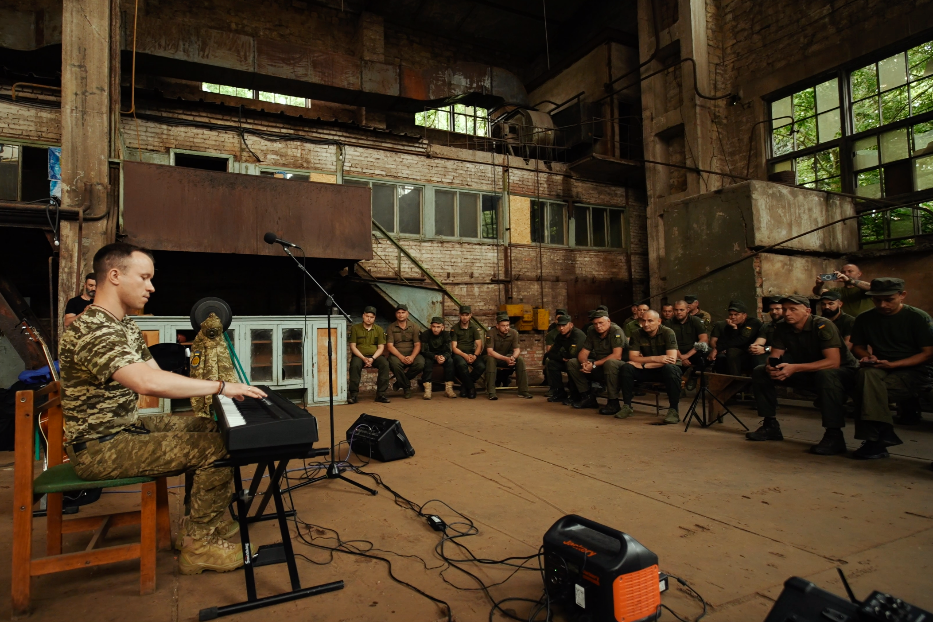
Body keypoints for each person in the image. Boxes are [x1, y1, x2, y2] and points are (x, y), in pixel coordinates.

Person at [60, 242, 267, 575]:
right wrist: (222, 387)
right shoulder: (93, 328)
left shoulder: (124, 326)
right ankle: (200, 545)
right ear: (114, 276)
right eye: (144, 277)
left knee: (214, 427)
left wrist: (212, 382)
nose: (151, 287)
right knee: (220, 448)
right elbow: (145, 383)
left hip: (127, 430)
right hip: (99, 447)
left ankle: (198, 526)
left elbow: (158, 375)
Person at [746, 295, 859, 455]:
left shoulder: (822, 325)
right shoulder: (782, 326)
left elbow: (833, 362)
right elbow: (775, 356)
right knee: (760, 371)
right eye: (785, 309)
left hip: (843, 373)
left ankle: (834, 435)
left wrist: (794, 368)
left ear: (807, 311)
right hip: (808, 369)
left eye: (793, 309)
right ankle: (770, 425)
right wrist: (771, 367)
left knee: (826, 375)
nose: (787, 313)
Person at [850, 278, 933, 458]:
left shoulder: (917, 317)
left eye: (889, 299)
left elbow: (927, 353)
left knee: (866, 391)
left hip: (913, 370)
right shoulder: (865, 318)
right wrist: (867, 356)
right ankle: (883, 435)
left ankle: (875, 440)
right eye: (877, 300)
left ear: (902, 295)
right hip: (880, 366)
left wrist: (894, 364)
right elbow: (857, 346)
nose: (883, 304)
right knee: (866, 374)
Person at [619, 310, 682, 423]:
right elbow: (633, 358)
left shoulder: (668, 332)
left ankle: (674, 410)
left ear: (659, 321)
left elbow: (671, 359)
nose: (646, 324)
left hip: (664, 370)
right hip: (648, 368)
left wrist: (644, 365)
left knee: (671, 369)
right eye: (643, 320)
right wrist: (656, 359)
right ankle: (627, 406)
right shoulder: (636, 333)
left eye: (650, 321)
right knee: (626, 367)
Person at [568, 310, 625, 413]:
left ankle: (613, 402)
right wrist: (585, 363)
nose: (598, 326)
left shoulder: (616, 331)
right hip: (599, 364)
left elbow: (617, 355)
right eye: (595, 323)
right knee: (573, 362)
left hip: (618, 366)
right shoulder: (592, 331)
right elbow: (583, 352)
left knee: (610, 363)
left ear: (608, 321)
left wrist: (593, 365)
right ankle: (587, 397)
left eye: (601, 323)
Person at [348, 306, 391, 404]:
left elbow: (381, 348)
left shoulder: (379, 330)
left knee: (384, 364)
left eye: (371, 317)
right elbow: (353, 346)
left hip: (375, 356)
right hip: (359, 356)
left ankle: (381, 394)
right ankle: (354, 395)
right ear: (363, 316)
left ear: (374, 318)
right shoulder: (355, 328)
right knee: (355, 365)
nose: (369, 319)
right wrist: (363, 358)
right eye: (367, 316)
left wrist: (372, 358)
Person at [485, 312, 532, 400]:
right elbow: (490, 352)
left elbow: (517, 349)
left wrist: (513, 358)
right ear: (497, 326)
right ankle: (491, 392)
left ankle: (523, 391)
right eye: (503, 325)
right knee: (491, 360)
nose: (506, 328)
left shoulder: (514, 333)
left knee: (520, 359)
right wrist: (506, 358)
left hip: (505, 358)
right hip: (492, 357)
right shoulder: (491, 333)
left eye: (507, 325)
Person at [709, 301, 762, 375]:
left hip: (752, 351)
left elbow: (742, 339)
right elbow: (728, 340)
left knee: (732, 351)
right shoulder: (729, 325)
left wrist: (717, 349)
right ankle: (733, 379)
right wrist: (734, 328)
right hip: (739, 351)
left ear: (744, 315)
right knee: (729, 353)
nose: (733, 317)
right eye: (731, 315)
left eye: (736, 314)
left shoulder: (753, 322)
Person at [385, 304, 425, 399]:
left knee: (421, 363)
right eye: (398, 312)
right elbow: (390, 346)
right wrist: (401, 357)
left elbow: (417, 344)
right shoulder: (391, 327)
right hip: (397, 354)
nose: (401, 315)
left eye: (403, 312)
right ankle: (406, 387)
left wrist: (412, 357)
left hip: (412, 353)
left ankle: (400, 382)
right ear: (396, 314)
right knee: (394, 364)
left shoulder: (414, 327)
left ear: (407, 314)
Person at [667, 300, 708, 391]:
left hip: (693, 352)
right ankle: (678, 388)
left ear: (687, 310)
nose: (678, 312)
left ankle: (694, 376)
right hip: (676, 353)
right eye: (676, 310)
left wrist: (687, 356)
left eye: (681, 310)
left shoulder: (696, 321)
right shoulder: (668, 323)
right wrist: (681, 357)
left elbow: (704, 339)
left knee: (707, 352)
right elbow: (670, 343)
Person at [545, 315, 586, 404]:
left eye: (564, 325)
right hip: (568, 360)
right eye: (559, 326)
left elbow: (574, 354)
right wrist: (561, 358)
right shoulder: (560, 336)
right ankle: (560, 392)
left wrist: (564, 356)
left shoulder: (578, 335)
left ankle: (575, 395)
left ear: (571, 325)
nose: (561, 328)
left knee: (571, 363)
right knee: (552, 363)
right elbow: (551, 353)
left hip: (582, 361)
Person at [420, 317, 459, 400]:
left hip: (442, 356)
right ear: (431, 326)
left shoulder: (446, 335)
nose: (435, 329)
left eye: (438, 327)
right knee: (427, 363)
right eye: (434, 326)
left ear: (442, 327)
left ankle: (448, 389)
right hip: (430, 356)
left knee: (450, 361)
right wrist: (435, 356)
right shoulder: (425, 334)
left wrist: (444, 357)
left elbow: (449, 350)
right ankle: (427, 390)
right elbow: (424, 351)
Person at [451, 305, 485, 399]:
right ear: (459, 315)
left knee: (481, 366)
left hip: (472, 352)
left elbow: (479, 345)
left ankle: (464, 386)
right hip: (459, 353)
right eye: (462, 315)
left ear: (470, 315)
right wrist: (465, 355)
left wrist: (474, 356)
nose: (465, 317)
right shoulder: (454, 328)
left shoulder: (474, 328)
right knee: (462, 365)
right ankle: (471, 388)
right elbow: (454, 347)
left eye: (467, 315)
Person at [749, 299, 785, 366]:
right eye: (771, 309)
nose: (774, 312)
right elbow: (759, 341)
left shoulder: (790, 325)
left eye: (777, 309)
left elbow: (789, 347)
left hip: (785, 354)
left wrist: (766, 349)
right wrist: (755, 347)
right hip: (769, 354)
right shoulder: (766, 326)